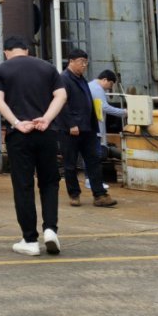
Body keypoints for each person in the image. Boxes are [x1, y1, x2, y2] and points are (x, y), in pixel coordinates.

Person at [0, 36, 66, 256]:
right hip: (46, 133)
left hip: (19, 135)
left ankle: (30, 240)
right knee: (49, 182)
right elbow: (61, 95)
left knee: (23, 186)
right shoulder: (47, 68)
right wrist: (47, 119)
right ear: (27, 50)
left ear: (7, 52)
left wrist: (15, 122)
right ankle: (50, 229)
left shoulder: (1, 70)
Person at [56, 49, 118, 208]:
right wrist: (71, 124)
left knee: (93, 161)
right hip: (71, 129)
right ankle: (74, 194)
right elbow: (62, 103)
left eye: (86, 62)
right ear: (71, 61)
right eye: (81, 62)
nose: (84, 65)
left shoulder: (81, 79)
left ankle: (100, 195)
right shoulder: (63, 79)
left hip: (88, 128)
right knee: (70, 163)